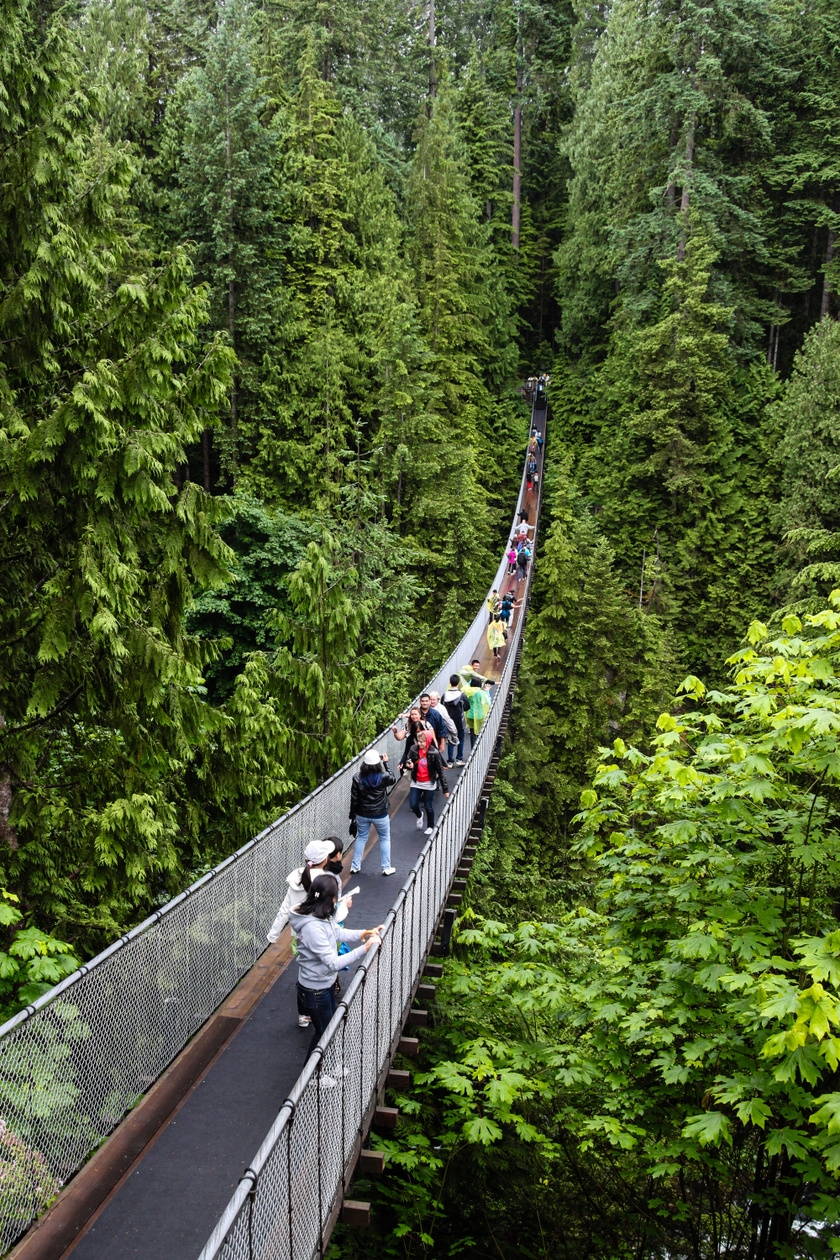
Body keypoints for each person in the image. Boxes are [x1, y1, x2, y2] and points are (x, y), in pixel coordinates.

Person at [288, 876, 383, 1076]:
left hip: (325, 983)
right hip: (315, 989)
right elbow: (333, 962)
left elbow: (338, 934)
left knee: (331, 1028)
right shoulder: (312, 927)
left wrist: (364, 934)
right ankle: (312, 1075)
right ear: (329, 899)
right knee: (323, 1032)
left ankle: (328, 1066)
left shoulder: (321, 915)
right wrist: (364, 949)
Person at [266, 837, 350, 1029]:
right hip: (320, 932)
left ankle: (304, 1014)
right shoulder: (327, 882)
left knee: (305, 971)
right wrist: (344, 905)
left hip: (299, 934)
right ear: (325, 859)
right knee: (322, 968)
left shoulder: (297, 877)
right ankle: (324, 1007)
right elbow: (334, 916)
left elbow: (284, 909)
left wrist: (273, 935)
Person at [349, 749, 396, 876]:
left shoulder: (357, 778)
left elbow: (354, 799)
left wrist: (351, 816)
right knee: (385, 838)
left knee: (361, 838)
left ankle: (355, 866)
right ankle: (386, 868)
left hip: (362, 814)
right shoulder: (383, 777)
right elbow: (393, 779)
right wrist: (386, 763)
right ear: (378, 763)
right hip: (380, 814)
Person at [405, 729, 450, 835]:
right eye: (418, 741)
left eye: (422, 742)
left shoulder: (434, 753)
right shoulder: (414, 749)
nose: (419, 744)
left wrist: (445, 789)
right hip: (416, 781)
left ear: (428, 741)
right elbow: (409, 759)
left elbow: (440, 771)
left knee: (428, 805)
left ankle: (430, 825)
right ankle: (419, 815)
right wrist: (409, 764)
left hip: (429, 782)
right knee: (413, 804)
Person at [442, 673, 469, 766]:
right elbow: (467, 707)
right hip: (459, 722)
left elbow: (441, 708)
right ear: (459, 683)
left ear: (450, 682)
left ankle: (450, 761)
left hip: (448, 722)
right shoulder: (462, 695)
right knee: (461, 739)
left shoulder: (444, 695)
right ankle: (459, 759)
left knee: (450, 740)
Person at [429, 691, 459, 763]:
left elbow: (447, 720)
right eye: (431, 699)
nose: (432, 701)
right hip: (429, 733)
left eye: (434, 699)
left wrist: (453, 731)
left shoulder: (441, 708)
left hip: (439, 733)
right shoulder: (426, 707)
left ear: (438, 700)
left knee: (437, 750)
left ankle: (446, 762)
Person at [463, 677, 491, 747]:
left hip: (470, 715)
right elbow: (487, 701)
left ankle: (473, 749)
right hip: (479, 715)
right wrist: (487, 691)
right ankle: (478, 749)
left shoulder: (468, 691)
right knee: (479, 732)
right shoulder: (481, 693)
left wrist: (470, 681)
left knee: (473, 733)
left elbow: (466, 687)